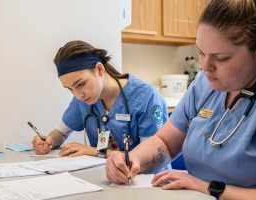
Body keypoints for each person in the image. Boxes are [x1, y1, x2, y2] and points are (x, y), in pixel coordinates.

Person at [105, 0, 256, 199]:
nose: (206, 66)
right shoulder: (206, 84)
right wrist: (132, 160)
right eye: (201, 52)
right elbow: (166, 143)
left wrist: (212, 188)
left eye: (221, 58)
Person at [31, 40, 169, 166]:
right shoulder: (83, 100)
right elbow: (60, 133)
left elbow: (151, 156)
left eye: (80, 84)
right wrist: (47, 142)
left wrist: (96, 151)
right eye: (70, 89)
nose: (78, 95)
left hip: (150, 181)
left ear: (99, 69)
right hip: (109, 178)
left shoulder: (146, 97)